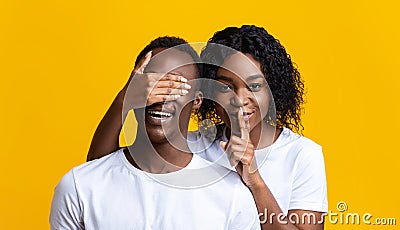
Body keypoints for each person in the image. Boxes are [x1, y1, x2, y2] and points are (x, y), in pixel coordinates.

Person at [87, 25, 328, 230]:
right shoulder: (193, 146)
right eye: (225, 86)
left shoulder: (302, 155)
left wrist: (255, 181)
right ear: (208, 93)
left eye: (253, 87)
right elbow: (101, 172)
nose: (239, 99)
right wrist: (126, 98)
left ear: (273, 90)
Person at [50, 36, 260, 230]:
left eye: (176, 86)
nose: (161, 96)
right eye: (152, 84)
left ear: (197, 100)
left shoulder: (231, 195)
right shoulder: (78, 186)